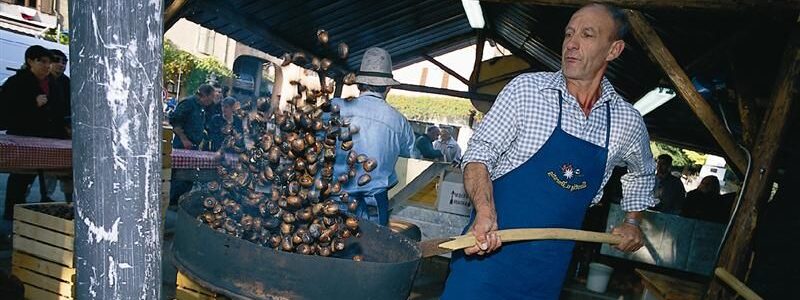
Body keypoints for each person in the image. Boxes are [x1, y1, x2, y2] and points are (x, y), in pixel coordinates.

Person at [441, 4, 656, 299]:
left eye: (587, 35)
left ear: (613, 50)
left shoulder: (626, 122)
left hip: (547, 274)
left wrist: (632, 222)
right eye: (569, 33)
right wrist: (485, 211)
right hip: (484, 259)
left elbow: (643, 173)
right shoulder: (527, 91)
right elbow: (479, 153)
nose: (572, 43)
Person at [331, 47, 415, 226]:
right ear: (388, 87)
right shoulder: (399, 122)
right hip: (374, 204)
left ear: (359, 83)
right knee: (373, 250)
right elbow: (412, 156)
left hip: (336, 196)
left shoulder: (335, 107)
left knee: (330, 244)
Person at [0, 45, 64, 220]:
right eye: (42, 61)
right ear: (30, 61)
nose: (46, 65)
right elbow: (5, 111)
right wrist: (32, 104)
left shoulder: (53, 84)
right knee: (19, 180)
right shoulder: (16, 82)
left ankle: (36, 215)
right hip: (22, 138)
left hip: (46, 140)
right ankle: (11, 215)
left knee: (44, 179)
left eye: (48, 62)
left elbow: (58, 111)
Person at [168, 84, 216, 205]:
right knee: (179, 177)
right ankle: (171, 202)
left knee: (188, 177)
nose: (211, 101)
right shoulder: (188, 104)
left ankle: (180, 203)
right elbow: (175, 122)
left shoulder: (201, 107)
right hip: (182, 147)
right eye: (210, 98)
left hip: (193, 148)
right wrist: (184, 139)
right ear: (204, 95)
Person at [43, 49, 73, 202]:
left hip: (63, 132)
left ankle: (70, 201)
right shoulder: (38, 81)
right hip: (41, 132)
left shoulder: (67, 83)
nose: (61, 64)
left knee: (67, 171)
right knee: (31, 175)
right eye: (56, 60)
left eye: (64, 61)